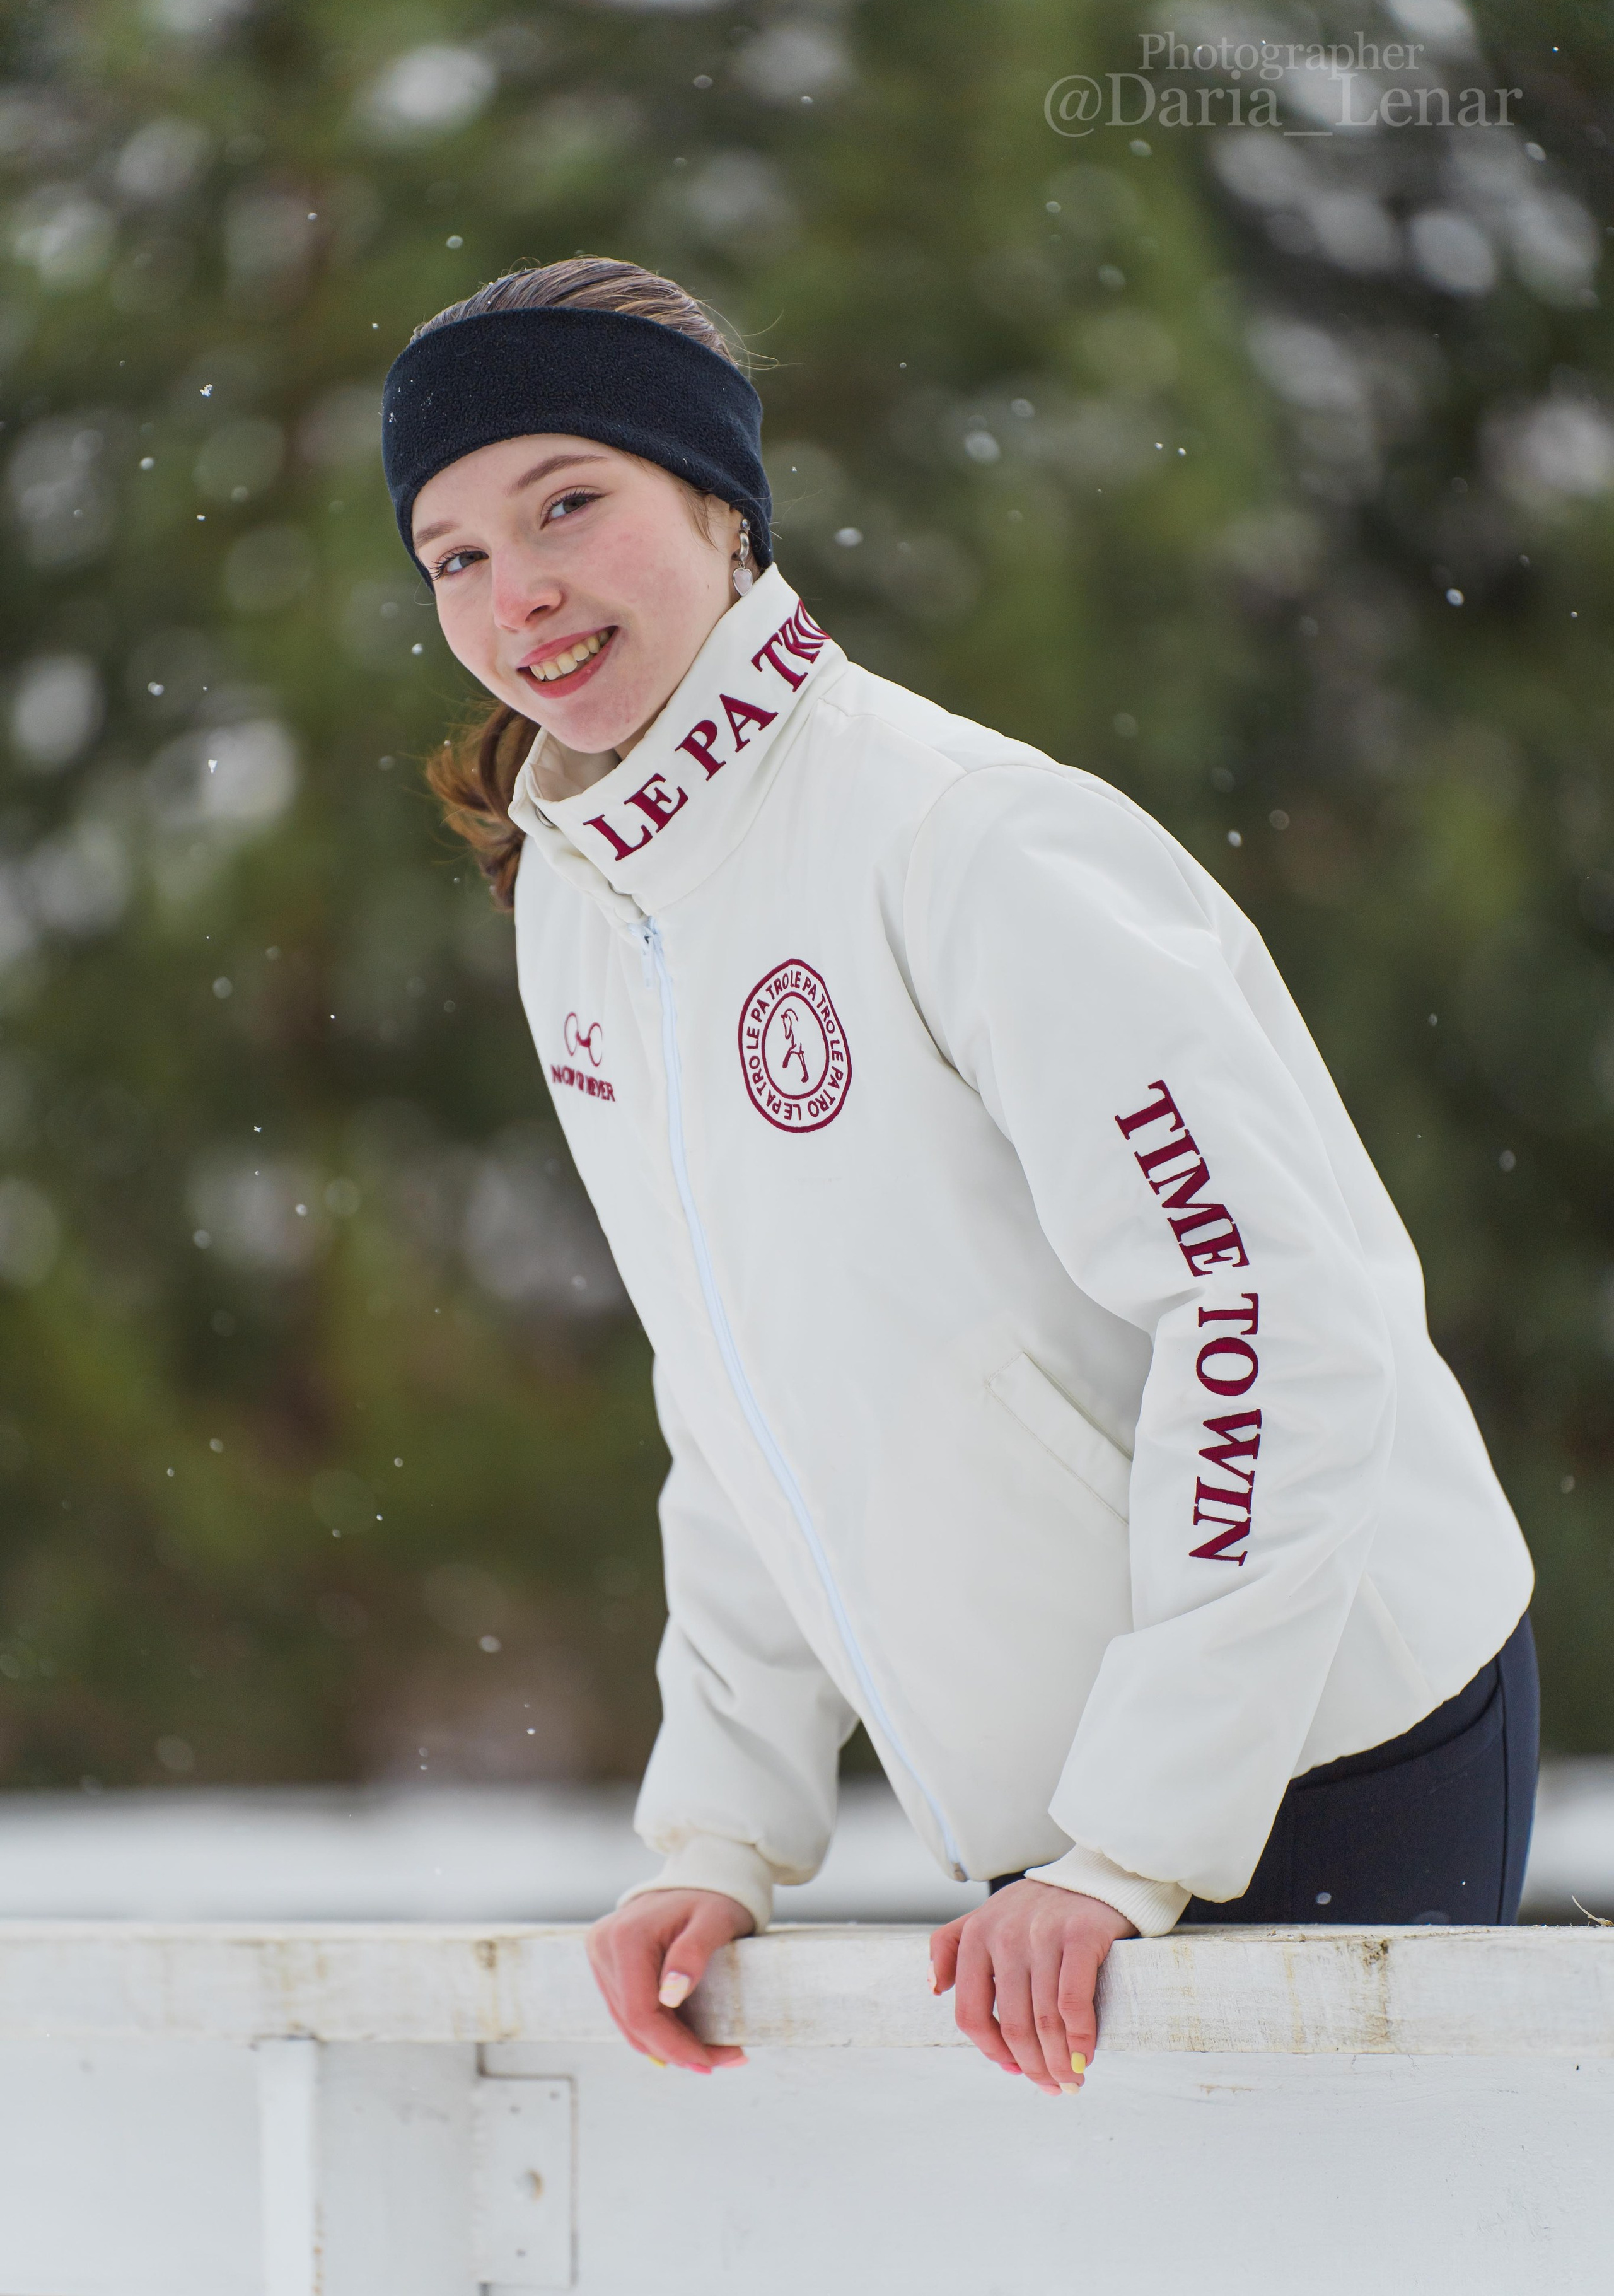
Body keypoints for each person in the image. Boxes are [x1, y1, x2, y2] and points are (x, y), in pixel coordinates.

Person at [381, 255, 1537, 2098]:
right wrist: (723, 1831)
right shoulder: (585, 916)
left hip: (1318, 1740)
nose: (513, 591)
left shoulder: (961, 836)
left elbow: (1267, 1302)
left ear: (722, 503)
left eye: (567, 504)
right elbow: (736, 1385)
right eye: (451, 554)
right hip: (1059, 1830)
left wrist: (1135, 1835)